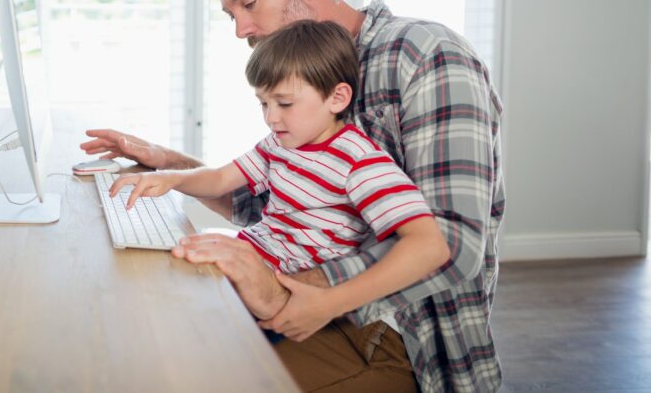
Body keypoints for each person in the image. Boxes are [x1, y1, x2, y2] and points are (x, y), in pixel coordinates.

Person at [81, 0, 505, 392]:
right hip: (316, 301)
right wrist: (165, 164)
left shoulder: (424, 55)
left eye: (248, 3)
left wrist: (285, 287)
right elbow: (268, 206)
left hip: (399, 335)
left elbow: (453, 245)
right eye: (231, 14)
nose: (241, 29)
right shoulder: (302, 80)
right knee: (156, 339)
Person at [111, 19, 451, 345]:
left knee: (176, 324)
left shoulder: (360, 161)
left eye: (284, 103)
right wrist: (168, 178)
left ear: (337, 98)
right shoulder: (281, 143)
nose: (271, 117)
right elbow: (219, 180)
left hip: (284, 290)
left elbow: (430, 246)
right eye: (263, 103)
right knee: (157, 286)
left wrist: (332, 301)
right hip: (254, 257)